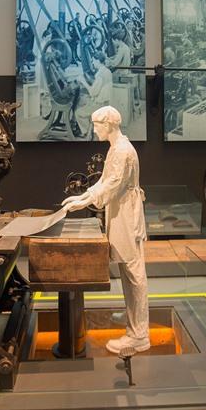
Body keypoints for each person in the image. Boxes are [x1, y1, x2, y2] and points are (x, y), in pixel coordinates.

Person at [62, 106, 149, 354]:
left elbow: (112, 183)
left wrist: (85, 200)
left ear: (108, 124)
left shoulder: (122, 150)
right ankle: (134, 318)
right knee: (128, 271)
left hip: (126, 215)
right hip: (121, 212)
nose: (94, 129)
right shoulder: (116, 147)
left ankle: (139, 334)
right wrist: (84, 196)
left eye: (97, 125)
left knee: (134, 274)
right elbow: (104, 180)